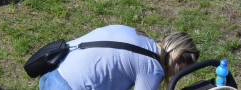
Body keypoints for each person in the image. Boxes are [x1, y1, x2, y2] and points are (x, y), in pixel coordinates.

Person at [38, 25, 198, 90]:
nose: (174, 76)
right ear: (176, 59)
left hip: (50, 71)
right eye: (179, 71)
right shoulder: (153, 68)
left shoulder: (135, 32)